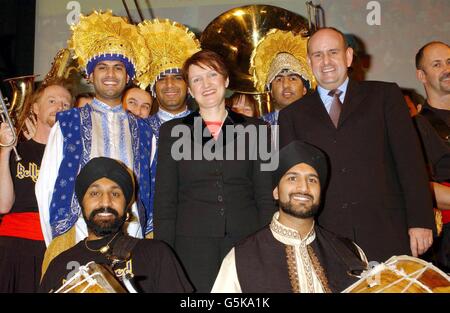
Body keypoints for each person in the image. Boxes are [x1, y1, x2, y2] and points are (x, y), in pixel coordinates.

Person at [279, 27, 435, 262]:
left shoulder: (385, 96)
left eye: (333, 52)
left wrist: (420, 221)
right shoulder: (292, 115)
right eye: (318, 55)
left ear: (349, 56)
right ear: (309, 62)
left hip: (388, 231)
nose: (326, 61)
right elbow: (289, 181)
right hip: (325, 239)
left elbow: (410, 162)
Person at [154, 50, 275, 292]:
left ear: (226, 80)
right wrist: (163, 255)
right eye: (197, 79)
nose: (206, 84)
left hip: (246, 241)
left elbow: (265, 197)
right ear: (189, 89)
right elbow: (165, 200)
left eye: (212, 75)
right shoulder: (172, 131)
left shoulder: (259, 129)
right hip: (191, 247)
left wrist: (269, 244)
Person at [36, 11, 152, 251]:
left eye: (118, 68)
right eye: (102, 67)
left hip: (130, 234)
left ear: (128, 76)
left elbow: (149, 187)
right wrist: (57, 243)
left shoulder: (144, 129)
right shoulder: (68, 123)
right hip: (78, 233)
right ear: (90, 74)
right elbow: (46, 186)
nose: (110, 74)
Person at [212, 141, 368, 293]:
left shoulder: (349, 252)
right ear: (276, 192)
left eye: (312, 180)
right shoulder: (241, 259)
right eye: (292, 178)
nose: (303, 187)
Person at [39, 157, 193, 293]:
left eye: (115, 194)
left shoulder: (155, 254)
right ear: (81, 204)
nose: (105, 202)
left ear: (126, 206)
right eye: (94, 193)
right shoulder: (59, 265)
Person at [0, 79, 73, 292]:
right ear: (35, 108)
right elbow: (3, 206)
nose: (59, 107)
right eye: (52, 101)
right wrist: (4, 150)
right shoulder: (15, 151)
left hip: (56, 248)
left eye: (66, 104)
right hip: (13, 248)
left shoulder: (73, 157)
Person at [135, 19, 201, 236]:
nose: (170, 85)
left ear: (189, 86)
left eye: (178, 78)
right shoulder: (139, 128)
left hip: (198, 228)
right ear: (154, 88)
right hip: (151, 231)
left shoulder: (206, 127)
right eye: (162, 79)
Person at [414, 41, 450, 270]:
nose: (447, 69)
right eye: (437, 64)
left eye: (449, 62)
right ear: (422, 76)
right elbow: (418, 187)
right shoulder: (416, 127)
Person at [249, 29, 315, 126]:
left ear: (304, 89)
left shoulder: (320, 122)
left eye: (292, 78)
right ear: (271, 91)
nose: (286, 85)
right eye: (279, 79)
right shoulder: (259, 127)